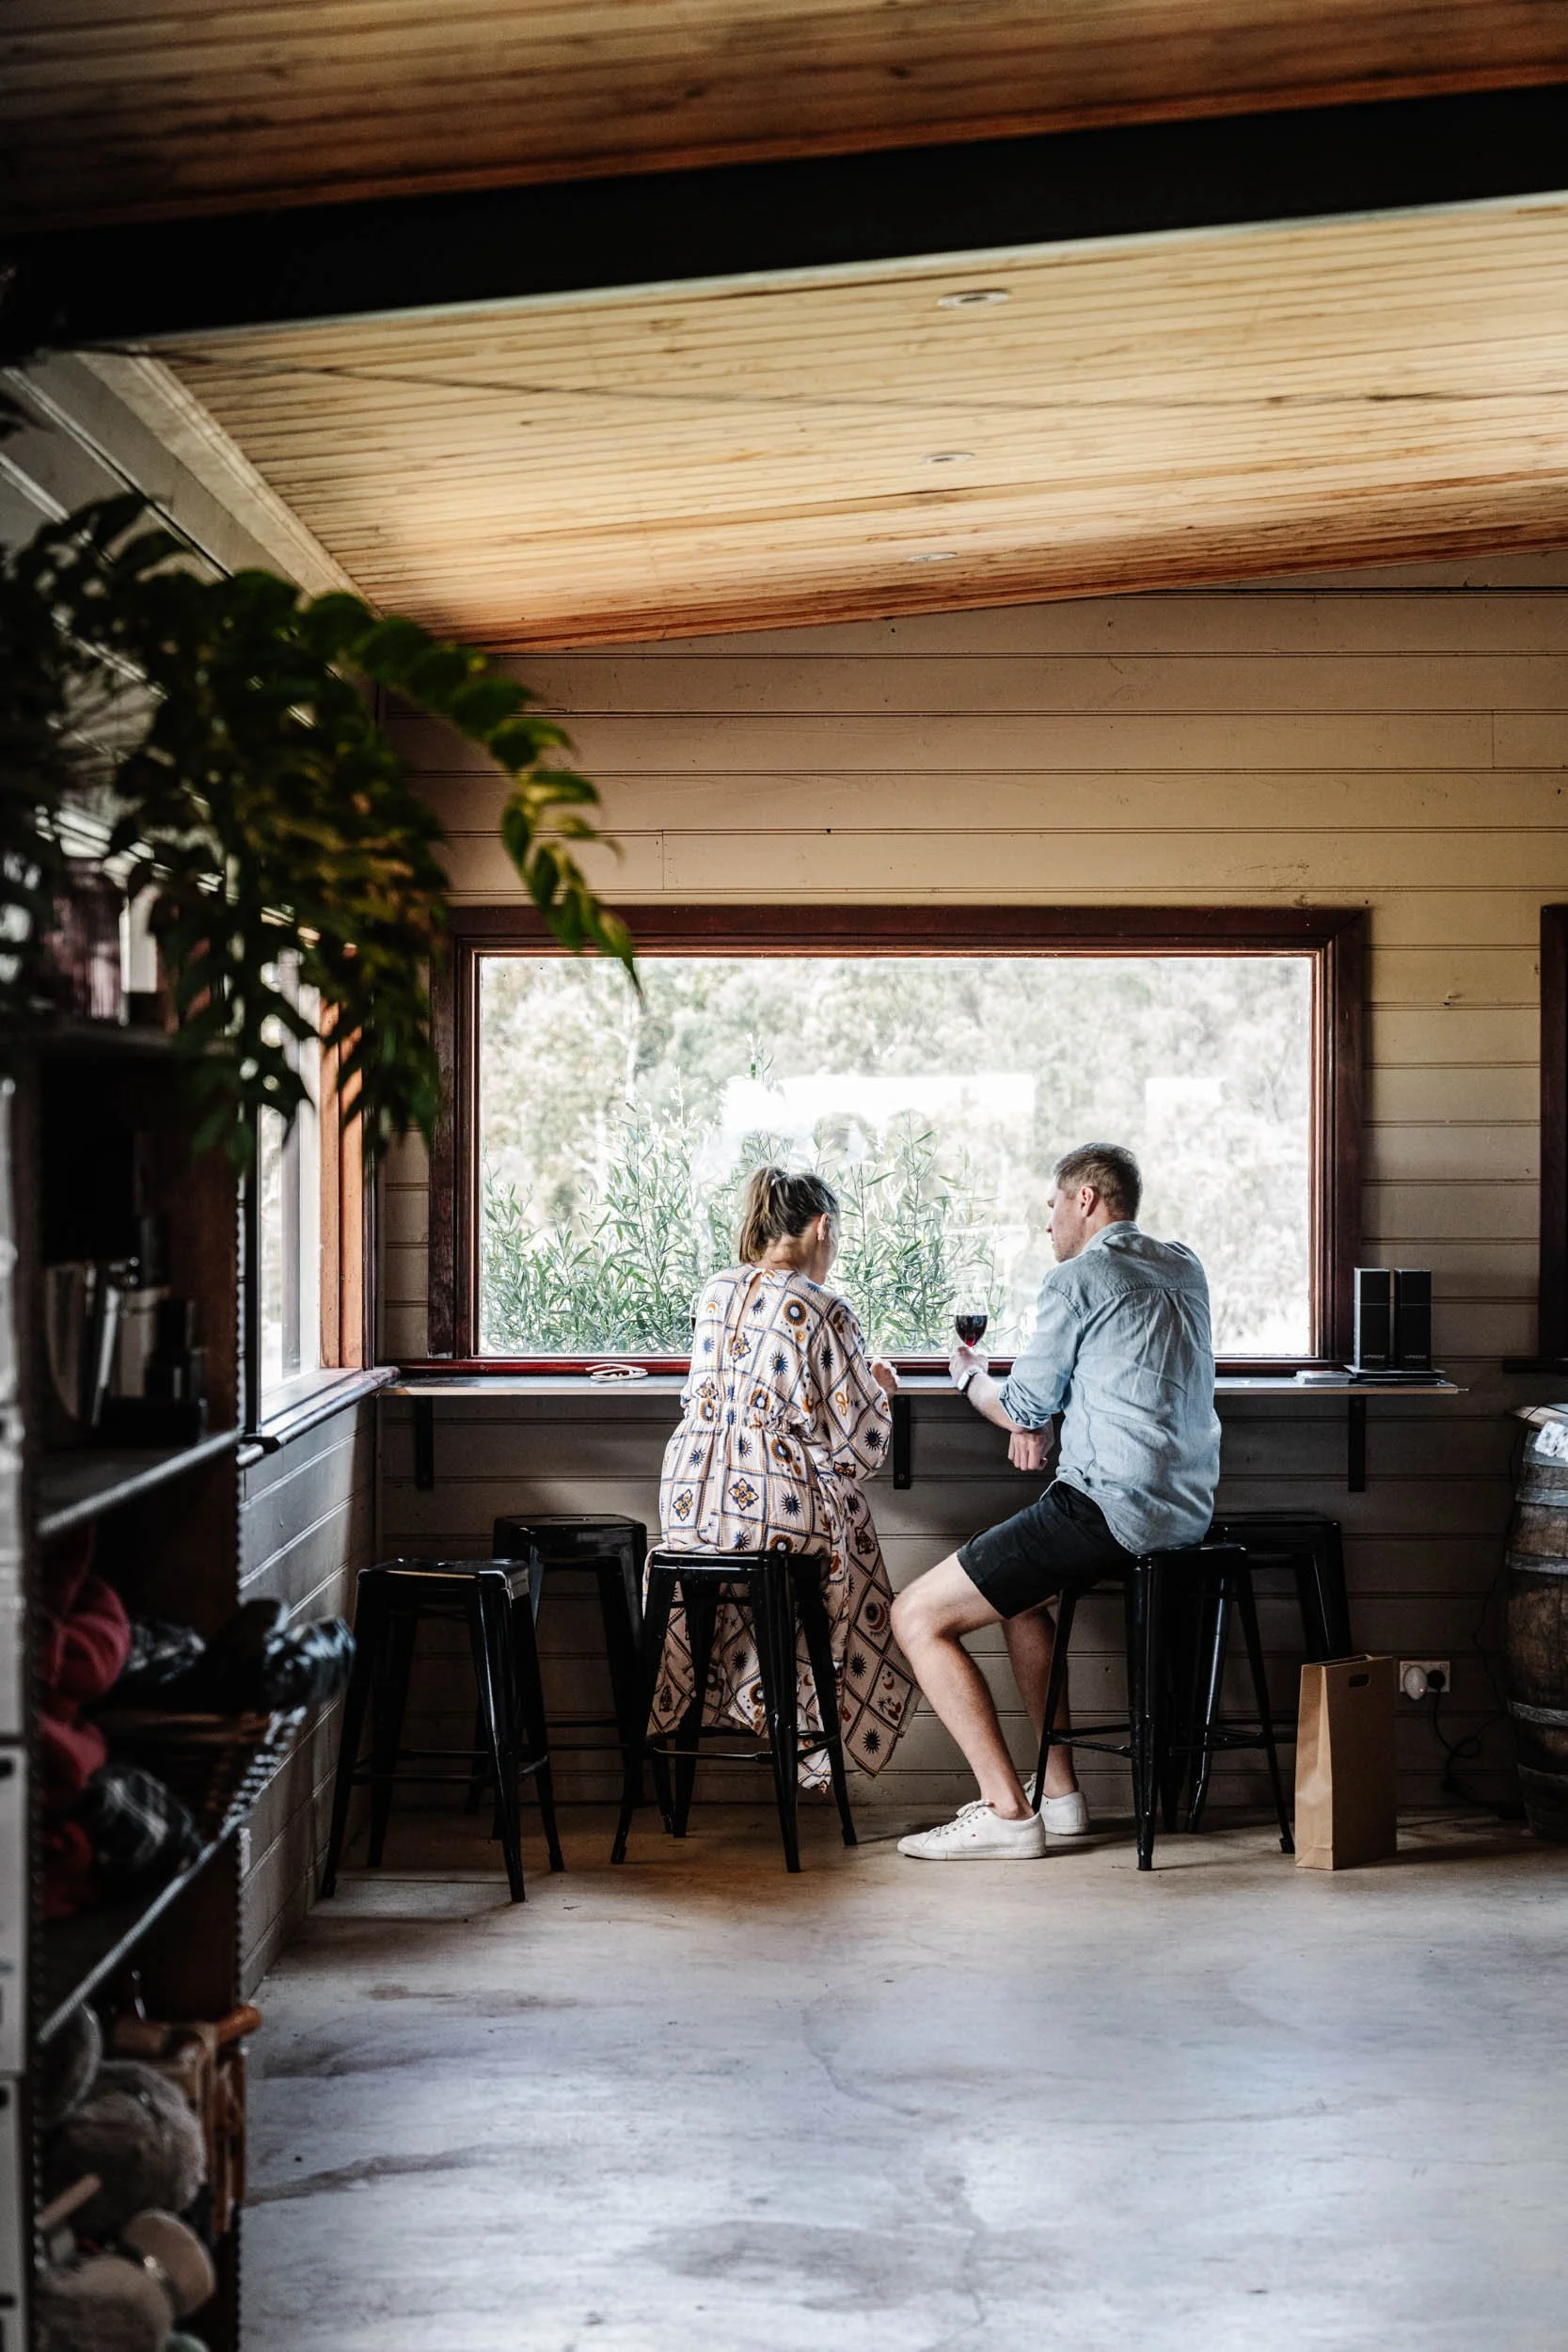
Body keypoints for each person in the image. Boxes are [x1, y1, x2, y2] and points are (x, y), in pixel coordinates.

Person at [890, 1142, 1221, 1860]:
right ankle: (1060, 1796)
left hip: (1107, 1510)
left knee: (915, 1614)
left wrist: (967, 1375)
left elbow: (1019, 1402)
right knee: (1023, 1599)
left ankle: (1007, 1815)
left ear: (1085, 1200)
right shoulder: (1183, 1265)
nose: (1048, 1224)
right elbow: (1118, 1374)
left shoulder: (1079, 1276)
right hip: (1185, 1513)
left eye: (1051, 1205)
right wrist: (1047, 1420)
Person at [653, 1167, 914, 1785]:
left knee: (782, 1554)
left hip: (686, 1507)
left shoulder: (715, 1291)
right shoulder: (823, 1308)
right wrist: (881, 1394)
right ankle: (808, 1739)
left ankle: (746, 1702)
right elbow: (857, 1451)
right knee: (846, 1545)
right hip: (768, 1512)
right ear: (822, 1227)